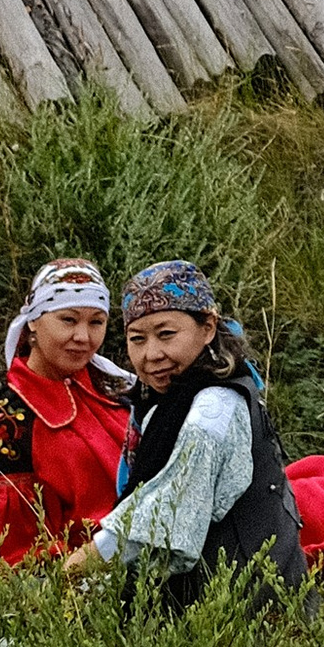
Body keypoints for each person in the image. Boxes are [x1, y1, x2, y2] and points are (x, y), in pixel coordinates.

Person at [70, 258, 306, 609]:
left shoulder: (211, 413)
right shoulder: (166, 403)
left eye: (166, 334)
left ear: (207, 327)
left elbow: (159, 529)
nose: (152, 354)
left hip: (242, 615)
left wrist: (72, 571)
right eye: (137, 339)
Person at [0, 256, 135, 563]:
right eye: (68, 320)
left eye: (96, 322)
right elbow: (19, 545)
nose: (83, 337)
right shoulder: (13, 417)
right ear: (33, 321)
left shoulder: (111, 385)